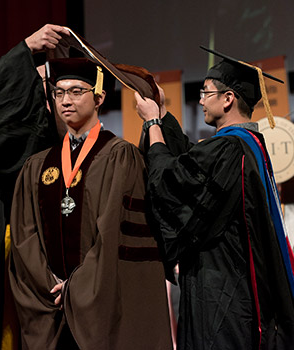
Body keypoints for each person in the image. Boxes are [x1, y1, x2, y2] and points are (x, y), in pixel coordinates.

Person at [134, 47, 294, 349]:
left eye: (206, 93)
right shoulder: (247, 146)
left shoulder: (229, 148)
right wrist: (164, 115)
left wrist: (153, 124)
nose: (201, 101)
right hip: (236, 283)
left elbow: (171, 180)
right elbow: (193, 166)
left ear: (228, 98)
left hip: (222, 290)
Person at [9, 57, 172, 349]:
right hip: (51, 307)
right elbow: (24, 237)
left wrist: (77, 288)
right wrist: (49, 285)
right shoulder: (37, 166)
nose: (65, 101)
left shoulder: (120, 156)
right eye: (58, 93)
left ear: (99, 98)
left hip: (100, 308)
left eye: (76, 91)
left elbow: (114, 234)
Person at [0, 24, 67, 350]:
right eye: (51, 89)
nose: (60, 99)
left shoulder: (94, 152)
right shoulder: (4, 144)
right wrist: (27, 49)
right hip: (7, 231)